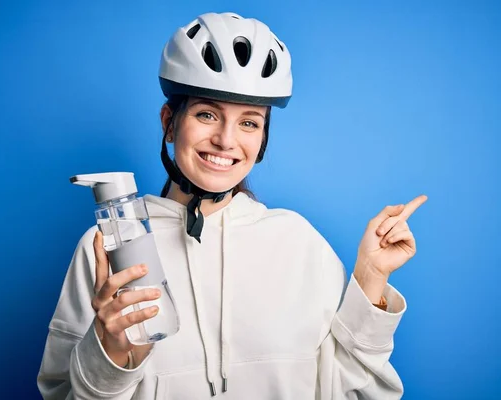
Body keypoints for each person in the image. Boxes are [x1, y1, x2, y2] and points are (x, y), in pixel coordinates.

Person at [37, 12, 427, 399]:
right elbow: (61, 395)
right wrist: (110, 359)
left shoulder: (298, 242)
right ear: (169, 123)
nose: (226, 140)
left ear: (263, 139)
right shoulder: (110, 248)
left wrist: (371, 277)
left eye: (249, 122)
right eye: (207, 114)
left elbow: (353, 391)